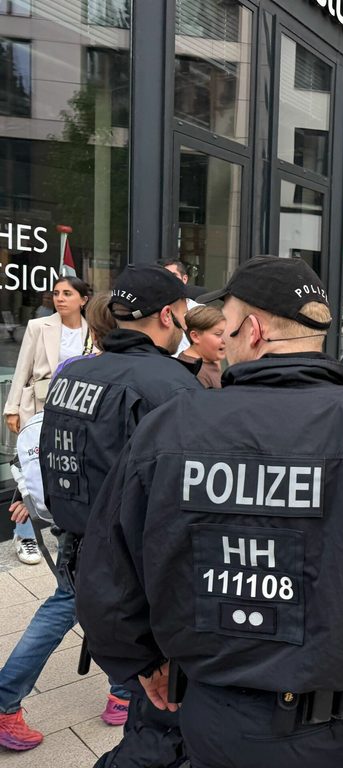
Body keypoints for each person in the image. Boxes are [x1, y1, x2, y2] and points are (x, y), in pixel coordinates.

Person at [76, 257, 343, 768]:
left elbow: (107, 568)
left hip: (213, 724)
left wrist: (138, 659)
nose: (226, 340)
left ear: (253, 330)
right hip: (342, 734)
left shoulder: (170, 427)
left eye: (229, 326)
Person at [41, 265, 201, 766]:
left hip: (82, 553)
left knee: (146, 704)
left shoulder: (76, 374)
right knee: (163, 719)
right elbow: (182, 507)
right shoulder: (169, 386)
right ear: (170, 315)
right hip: (138, 570)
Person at [0, 292, 133, 754]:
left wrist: (31, 490)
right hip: (100, 520)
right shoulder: (127, 379)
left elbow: (52, 445)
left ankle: (122, 693)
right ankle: (5, 701)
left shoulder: (75, 375)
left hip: (74, 514)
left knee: (86, 600)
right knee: (76, 602)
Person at [3, 275, 92, 565]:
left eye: (67, 293)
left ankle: (63, 526)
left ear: (83, 299)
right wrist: (12, 408)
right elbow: (22, 368)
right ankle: (25, 533)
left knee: (64, 466)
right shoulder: (38, 326)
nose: (60, 298)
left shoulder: (94, 331)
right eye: (56, 293)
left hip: (76, 412)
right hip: (39, 406)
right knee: (30, 466)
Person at [179, 305, 227, 389]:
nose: (225, 340)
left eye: (226, 334)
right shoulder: (196, 373)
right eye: (218, 334)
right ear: (195, 336)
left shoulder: (209, 359)